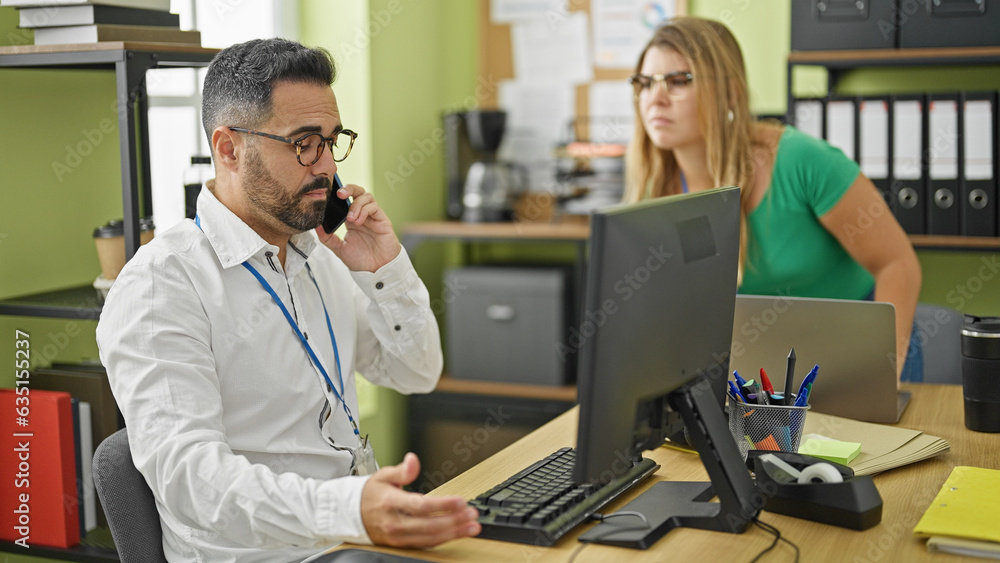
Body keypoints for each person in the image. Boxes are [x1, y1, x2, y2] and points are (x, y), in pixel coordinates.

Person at [96, 38, 480, 562]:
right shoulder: (161, 286)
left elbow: (417, 372)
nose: (325, 166)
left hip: (353, 538)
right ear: (229, 148)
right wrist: (343, 510)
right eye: (304, 143)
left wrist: (384, 270)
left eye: (331, 140)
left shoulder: (320, 255)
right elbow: (191, 481)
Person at [624, 17, 922, 381]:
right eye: (644, 83)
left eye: (678, 81)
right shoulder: (658, 190)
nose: (655, 98)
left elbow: (898, 264)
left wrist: (883, 371)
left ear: (730, 93)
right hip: (762, 371)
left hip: (862, 357)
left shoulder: (801, 160)